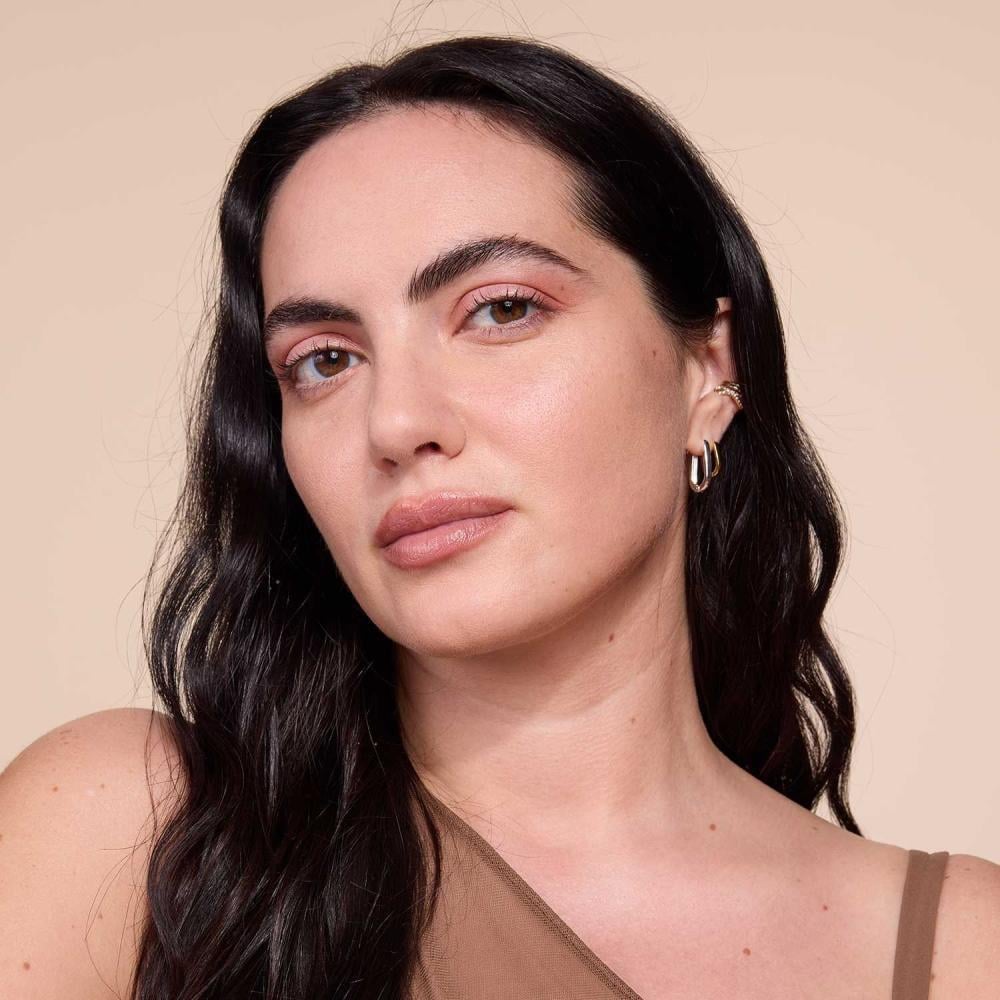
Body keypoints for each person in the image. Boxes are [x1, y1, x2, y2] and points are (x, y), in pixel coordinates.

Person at [1, 33, 997, 1000]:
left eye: (501, 309)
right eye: (325, 360)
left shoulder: (958, 949)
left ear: (706, 367)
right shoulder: (129, 840)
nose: (396, 424)